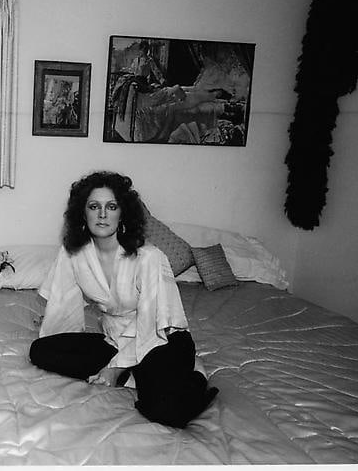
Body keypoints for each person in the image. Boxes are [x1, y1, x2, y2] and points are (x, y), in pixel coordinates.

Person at [29, 171, 218, 428]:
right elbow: (63, 303)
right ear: (83, 213)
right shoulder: (73, 253)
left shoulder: (149, 257)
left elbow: (151, 325)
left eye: (112, 206)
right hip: (115, 338)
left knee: (164, 411)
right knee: (41, 351)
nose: (103, 214)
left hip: (161, 339)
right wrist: (59, 339)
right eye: (94, 206)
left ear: (123, 213)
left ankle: (194, 377)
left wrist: (115, 367)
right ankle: (138, 375)